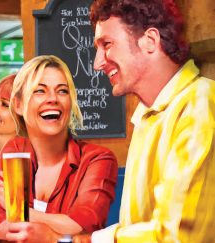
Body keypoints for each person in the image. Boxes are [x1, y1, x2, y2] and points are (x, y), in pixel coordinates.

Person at [87, 0, 215, 242]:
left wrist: (90, 239)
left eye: (107, 44)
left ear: (150, 41)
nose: (97, 63)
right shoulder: (147, 114)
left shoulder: (199, 104)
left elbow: (179, 235)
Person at [0, 55, 118, 241]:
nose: (53, 99)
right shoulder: (13, 150)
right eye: (40, 91)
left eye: (62, 91)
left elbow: (82, 226)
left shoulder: (97, 159)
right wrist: (56, 228)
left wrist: (18, 209)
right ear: (19, 105)